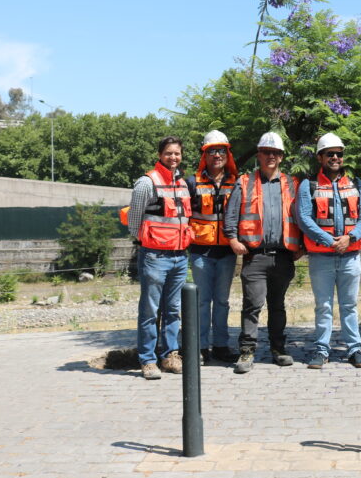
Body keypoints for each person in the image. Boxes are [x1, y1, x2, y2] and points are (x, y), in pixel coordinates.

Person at [223, 131, 304, 374]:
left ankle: (279, 349)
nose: (271, 156)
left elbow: (303, 217)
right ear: (259, 155)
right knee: (252, 305)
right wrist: (233, 240)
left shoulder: (292, 184)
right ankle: (247, 351)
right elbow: (231, 215)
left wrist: (303, 246)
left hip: (283, 257)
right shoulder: (245, 182)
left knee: (278, 306)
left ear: (281, 157)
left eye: (275, 153)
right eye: (267, 152)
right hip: (255, 256)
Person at [297, 132, 361, 369]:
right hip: (321, 257)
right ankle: (322, 350)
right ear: (320, 157)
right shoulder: (308, 185)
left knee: (349, 306)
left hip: (350, 256)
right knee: (324, 306)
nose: (335, 158)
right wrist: (330, 241)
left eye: (339, 154)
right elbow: (304, 219)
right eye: (330, 154)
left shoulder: (357, 184)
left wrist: (350, 238)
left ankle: (354, 349)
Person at [127, 136, 193, 380]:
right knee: (150, 311)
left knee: (173, 309)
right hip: (154, 256)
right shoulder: (147, 182)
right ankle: (147, 360)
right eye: (168, 153)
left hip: (179, 257)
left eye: (177, 153)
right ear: (159, 155)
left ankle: (170, 356)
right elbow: (134, 221)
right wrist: (149, 242)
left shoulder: (182, 183)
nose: (173, 157)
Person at [185, 130, 239, 365]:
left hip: (227, 252)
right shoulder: (191, 183)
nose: (217, 155)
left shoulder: (237, 182)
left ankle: (221, 346)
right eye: (212, 151)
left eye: (221, 151)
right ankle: (200, 347)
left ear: (227, 154)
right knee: (202, 301)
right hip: (200, 252)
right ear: (204, 155)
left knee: (222, 301)